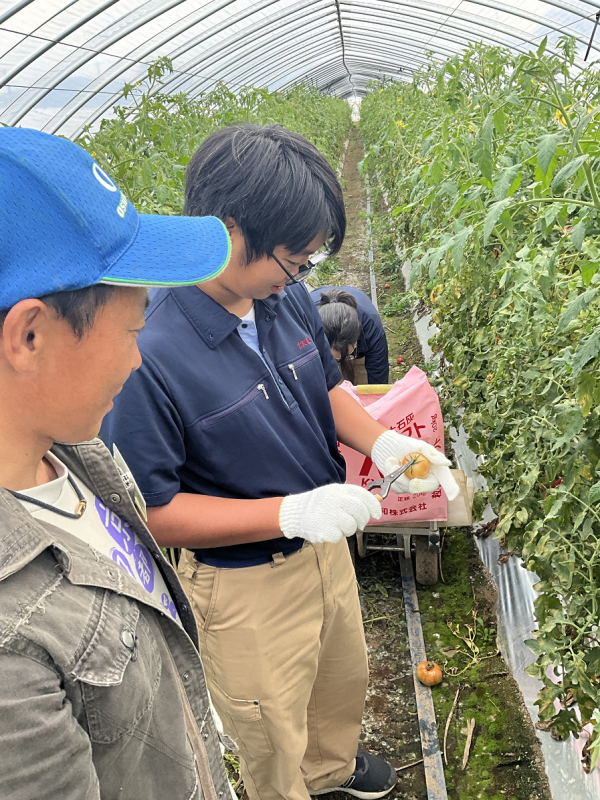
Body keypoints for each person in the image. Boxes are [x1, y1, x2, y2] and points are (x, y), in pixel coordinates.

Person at [101, 124, 459, 800]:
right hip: (244, 586)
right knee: (267, 727)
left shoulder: (283, 296)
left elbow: (326, 384)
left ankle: (331, 768)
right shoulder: (148, 350)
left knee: (340, 677)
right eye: (294, 260)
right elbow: (155, 512)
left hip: (324, 551)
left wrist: (383, 442)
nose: (300, 278)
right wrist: (289, 512)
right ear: (233, 231)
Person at [0, 127, 234, 800]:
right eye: (132, 331)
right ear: (31, 335)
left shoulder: (74, 454)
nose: (138, 359)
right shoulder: (13, 645)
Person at [311, 286, 389, 385]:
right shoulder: (306, 324)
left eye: (346, 353)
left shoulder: (372, 330)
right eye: (335, 358)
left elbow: (378, 378)